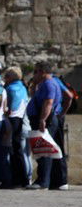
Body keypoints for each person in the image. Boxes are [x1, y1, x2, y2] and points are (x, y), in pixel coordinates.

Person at [26, 62, 65, 190]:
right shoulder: (43, 84)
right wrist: (34, 85)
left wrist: (42, 120)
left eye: (36, 72)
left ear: (42, 72)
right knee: (42, 150)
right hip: (41, 118)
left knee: (44, 150)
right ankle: (44, 179)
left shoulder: (49, 84)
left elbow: (48, 103)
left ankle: (43, 181)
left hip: (45, 120)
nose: (34, 74)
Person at [3, 66, 31, 188]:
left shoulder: (10, 88)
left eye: (7, 76)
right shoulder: (23, 87)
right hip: (21, 119)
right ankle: (24, 178)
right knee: (20, 150)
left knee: (13, 150)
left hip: (12, 119)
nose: (5, 78)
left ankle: (17, 179)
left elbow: (10, 108)